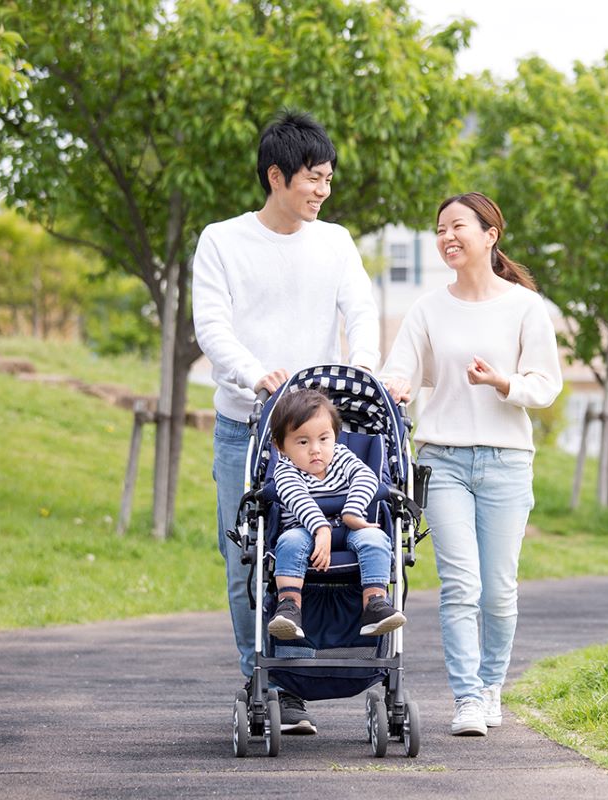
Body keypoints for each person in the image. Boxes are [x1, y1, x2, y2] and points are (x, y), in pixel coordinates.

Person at [192, 111, 379, 735]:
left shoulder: (336, 242)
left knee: (328, 551)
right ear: (277, 176)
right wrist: (257, 373)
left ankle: (303, 682)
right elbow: (212, 327)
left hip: (319, 435)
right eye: (313, 178)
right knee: (247, 554)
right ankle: (265, 679)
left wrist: (366, 371)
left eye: (328, 178)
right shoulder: (222, 241)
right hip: (245, 427)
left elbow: (362, 311)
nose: (323, 190)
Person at [381, 192, 563, 736]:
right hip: (444, 460)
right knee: (461, 585)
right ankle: (465, 699)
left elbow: (546, 385)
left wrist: (502, 382)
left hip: (507, 461)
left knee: (499, 588)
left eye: (457, 226)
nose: (446, 237)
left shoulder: (526, 307)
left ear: (490, 234)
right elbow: (401, 371)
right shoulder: (427, 308)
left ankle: (490, 688)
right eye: (439, 230)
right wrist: (397, 385)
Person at [266, 388, 406, 639]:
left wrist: (352, 512)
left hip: (351, 527)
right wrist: (321, 528)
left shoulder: (342, 457)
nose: (315, 450)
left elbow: (367, 478)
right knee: (288, 542)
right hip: (304, 530)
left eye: (324, 439)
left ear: (335, 437)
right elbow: (298, 500)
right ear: (281, 447)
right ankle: (289, 606)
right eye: (303, 441)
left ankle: (375, 603)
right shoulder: (286, 471)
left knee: (376, 539)